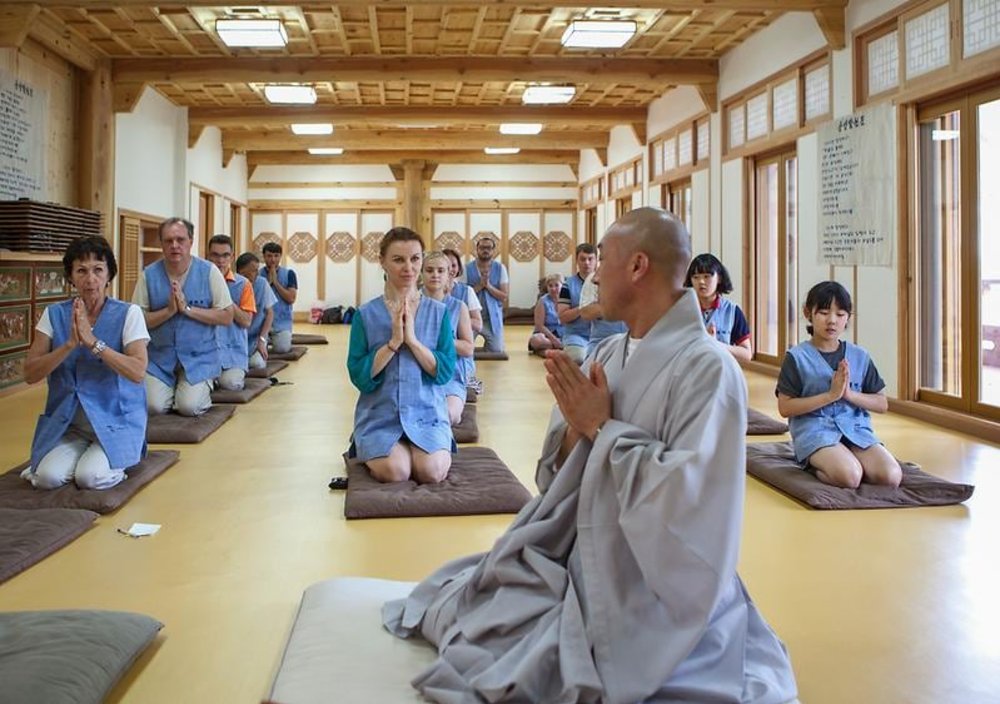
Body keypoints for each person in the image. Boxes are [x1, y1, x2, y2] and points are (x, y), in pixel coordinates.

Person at [384, 208, 798, 703]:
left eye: (603, 259)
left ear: (638, 266)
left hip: (653, 576)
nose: (594, 272)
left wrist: (600, 425)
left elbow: (690, 502)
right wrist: (580, 430)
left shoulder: (708, 370)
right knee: (482, 605)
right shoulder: (607, 352)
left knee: (546, 659)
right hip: (578, 541)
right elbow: (553, 475)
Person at [23, 236, 149, 490]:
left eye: (98, 270)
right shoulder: (54, 314)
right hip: (69, 423)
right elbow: (30, 373)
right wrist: (69, 344)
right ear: (70, 277)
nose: (90, 279)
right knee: (47, 478)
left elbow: (137, 371)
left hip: (115, 419)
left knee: (89, 477)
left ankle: (115, 464)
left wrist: (93, 343)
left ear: (108, 275)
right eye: (81, 271)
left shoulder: (129, 313)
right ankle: (77, 460)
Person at [347, 227, 457, 484]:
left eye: (415, 258)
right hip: (379, 416)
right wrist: (394, 343)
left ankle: (419, 448)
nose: (409, 267)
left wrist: (413, 342)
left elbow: (444, 372)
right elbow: (359, 375)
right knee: (397, 472)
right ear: (382, 262)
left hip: (427, 413)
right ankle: (368, 441)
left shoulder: (438, 312)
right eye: (398, 259)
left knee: (431, 472)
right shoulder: (365, 314)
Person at [776, 281, 901, 489]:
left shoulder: (860, 355)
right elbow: (785, 408)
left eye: (840, 314)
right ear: (808, 313)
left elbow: (882, 404)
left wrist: (849, 395)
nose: (832, 321)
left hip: (856, 431)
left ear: (848, 318)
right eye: (824, 313)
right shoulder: (796, 357)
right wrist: (829, 396)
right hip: (815, 432)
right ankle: (815, 466)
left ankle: (849, 460)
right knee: (849, 477)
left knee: (891, 476)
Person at [133, 217, 233, 416]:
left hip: (199, 357)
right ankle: (172, 392)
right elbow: (137, 320)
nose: (175, 246)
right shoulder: (148, 275)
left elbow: (227, 316)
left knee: (189, 407)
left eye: (180, 240)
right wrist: (168, 311)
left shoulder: (209, 272)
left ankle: (196, 388)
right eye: (168, 241)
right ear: (161, 244)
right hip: (160, 358)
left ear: (191, 241)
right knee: (153, 407)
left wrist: (187, 309)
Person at [421, 251, 474, 425]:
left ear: (449, 274)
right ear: (421, 274)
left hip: (451, 376)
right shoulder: (412, 304)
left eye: (440, 271)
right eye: (429, 270)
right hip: (418, 373)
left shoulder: (459, 307)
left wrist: (439, 341)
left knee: (449, 415)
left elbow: (468, 348)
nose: (435, 275)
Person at [207, 235, 256, 390]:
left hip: (232, 353)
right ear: (208, 256)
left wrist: (225, 297)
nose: (220, 260)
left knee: (231, 384)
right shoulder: (200, 282)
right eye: (215, 255)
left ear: (232, 257)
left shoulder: (243, 284)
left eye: (225, 255)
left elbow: (246, 321)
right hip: (205, 353)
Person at [685, 253, 752, 361]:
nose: (701, 282)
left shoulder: (732, 311)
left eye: (707, 276)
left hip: (722, 372)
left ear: (719, 278)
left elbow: (747, 354)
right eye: (696, 277)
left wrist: (716, 344)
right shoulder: (683, 311)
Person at [464, 236, 508, 353]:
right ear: (477, 249)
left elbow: (504, 296)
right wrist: (480, 285)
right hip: (471, 318)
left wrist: (488, 286)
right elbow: (462, 296)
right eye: (482, 247)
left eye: (489, 248)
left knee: (497, 350)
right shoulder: (467, 268)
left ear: (493, 250)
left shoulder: (500, 268)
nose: (485, 250)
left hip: (492, 319)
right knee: (464, 348)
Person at [557, 242, 598, 363]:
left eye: (590, 259)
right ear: (577, 261)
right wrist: (583, 308)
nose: (587, 263)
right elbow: (563, 317)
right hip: (576, 336)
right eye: (583, 259)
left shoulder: (606, 283)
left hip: (601, 336)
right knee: (579, 358)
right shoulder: (567, 285)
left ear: (596, 260)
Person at [236, 252, 276, 370]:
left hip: (254, 338)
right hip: (236, 339)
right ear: (241, 271)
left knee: (257, 364)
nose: (257, 273)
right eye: (254, 270)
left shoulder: (261, 283)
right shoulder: (234, 284)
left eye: (257, 269)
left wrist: (262, 340)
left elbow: (270, 313)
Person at [262, 241, 297, 354]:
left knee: (282, 349)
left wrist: (276, 282)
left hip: (282, 323)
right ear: (264, 256)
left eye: (276, 256)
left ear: (280, 256)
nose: (273, 259)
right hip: (261, 323)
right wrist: (267, 282)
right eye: (269, 256)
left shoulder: (289, 274)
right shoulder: (257, 274)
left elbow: (291, 298)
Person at [442, 248, 483, 334]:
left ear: (459, 267)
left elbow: (478, 325)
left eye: (453, 266)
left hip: (461, 342)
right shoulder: (425, 291)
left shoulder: (468, 291)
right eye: (445, 266)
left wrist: (455, 318)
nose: (450, 270)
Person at [528, 273, 564, 353]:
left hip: (563, 334)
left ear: (562, 285)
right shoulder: (543, 301)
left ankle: (555, 347)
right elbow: (539, 325)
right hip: (545, 334)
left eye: (556, 285)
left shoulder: (567, 300)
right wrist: (554, 340)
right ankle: (560, 347)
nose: (553, 288)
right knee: (537, 341)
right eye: (550, 286)